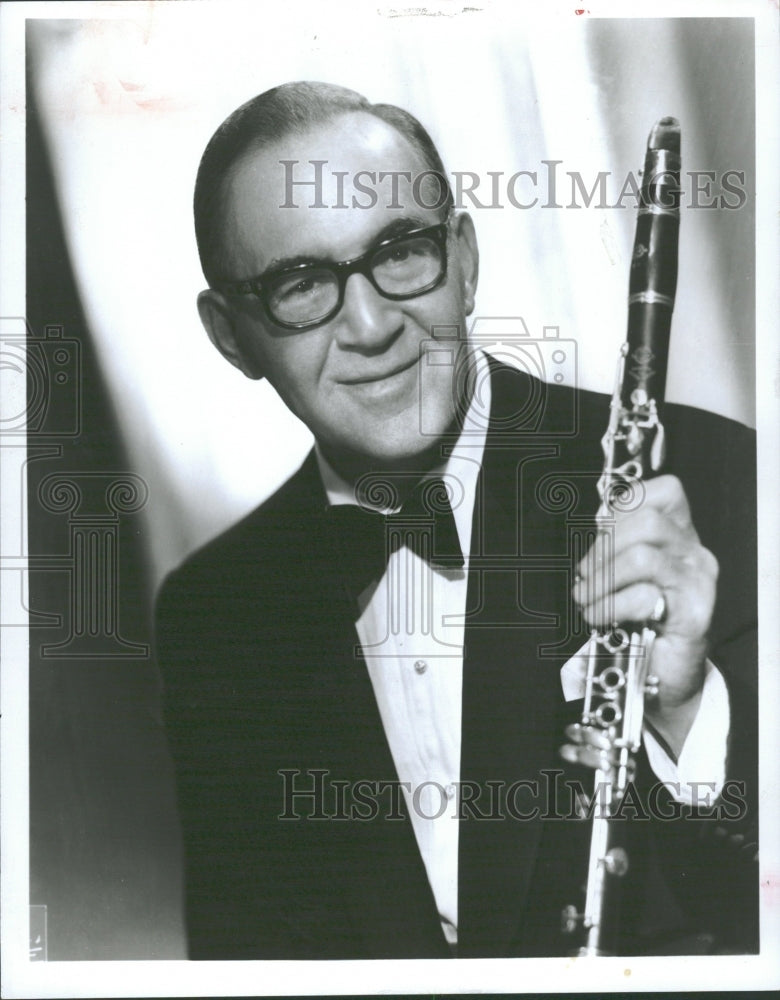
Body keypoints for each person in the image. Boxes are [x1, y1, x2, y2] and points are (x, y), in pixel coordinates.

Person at [155, 81, 758, 959]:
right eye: (300, 283)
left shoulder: (718, 480)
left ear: (464, 260)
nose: (370, 324)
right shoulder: (215, 613)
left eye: (400, 252)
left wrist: (689, 711)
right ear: (232, 335)